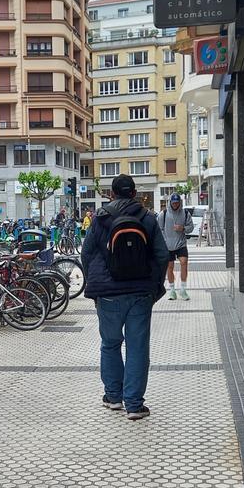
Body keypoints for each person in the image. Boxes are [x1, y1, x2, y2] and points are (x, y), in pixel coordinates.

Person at [81, 175, 170, 420]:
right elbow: (162, 256)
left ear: (111, 194)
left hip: (108, 295)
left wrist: (95, 283)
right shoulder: (148, 218)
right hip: (140, 292)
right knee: (137, 347)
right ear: (134, 194)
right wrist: (155, 287)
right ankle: (134, 404)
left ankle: (113, 397)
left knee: (110, 344)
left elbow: (86, 254)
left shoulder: (99, 219)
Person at [159, 193, 192, 300]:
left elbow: (191, 227)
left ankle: (183, 289)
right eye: (173, 203)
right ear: (170, 203)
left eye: (177, 203)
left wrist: (183, 228)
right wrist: (163, 241)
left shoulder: (185, 213)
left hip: (181, 243)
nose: (175, 205)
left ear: (180, 202)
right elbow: (159, 229)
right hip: (167, 244)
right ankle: (172, 290)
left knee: (184, 262)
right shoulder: (163, 214)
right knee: (170, 267)